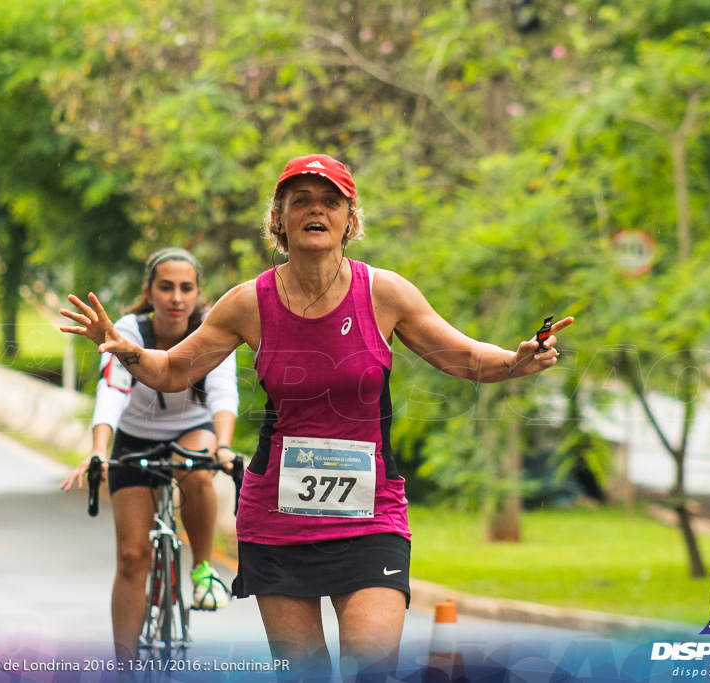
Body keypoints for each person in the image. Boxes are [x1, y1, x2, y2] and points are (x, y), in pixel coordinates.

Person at [60, 154, 573, 680]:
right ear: (278, 220)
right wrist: (122, 348)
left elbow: (464, 358)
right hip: (278, 522)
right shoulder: (248, 303)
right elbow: (170, 372)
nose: (316, 210)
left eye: (331, 201)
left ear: (350, 220)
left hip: (370, 516)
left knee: (373, 666)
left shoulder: (383, 293)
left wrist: (516, 362)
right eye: (300, 201)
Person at [60, 247, 239, 662]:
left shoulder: (211, 328)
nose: (176, 297)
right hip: (135, 438)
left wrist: (225, 447)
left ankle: (202, 570)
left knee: (195, 470)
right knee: (131, 556)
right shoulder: (129, 331)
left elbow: (223, 391)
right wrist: (99, 451)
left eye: (186, 288)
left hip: (193, 432)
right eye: (166, 288)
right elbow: (112, 390)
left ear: (197, 294)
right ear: (149, 292)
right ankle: (124, 666)